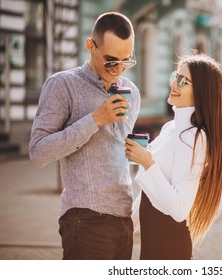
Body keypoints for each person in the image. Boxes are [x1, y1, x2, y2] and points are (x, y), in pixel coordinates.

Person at [29, 12, 140, 260]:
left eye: (126, 60)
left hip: (124, 219)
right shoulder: (62, 85)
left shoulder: (132, 91)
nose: (118, 69)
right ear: (90, 46)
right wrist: (95, 120)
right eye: (111, 61)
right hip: (85, 220)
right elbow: (38, 153)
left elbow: (118, 156)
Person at [125, 53, 222, 260]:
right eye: (175, 75)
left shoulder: (194, 137)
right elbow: (149, 192)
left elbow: (179, 208)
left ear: (201, 92)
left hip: (170, 250)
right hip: (152, 248)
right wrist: (125, 226)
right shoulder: (171, 128)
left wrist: (146, 161)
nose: (173, 83)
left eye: (183, 81)